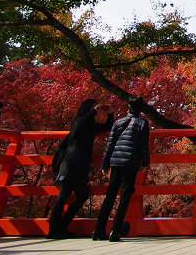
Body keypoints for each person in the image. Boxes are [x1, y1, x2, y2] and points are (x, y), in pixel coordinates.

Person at [47, 99, 114, 239]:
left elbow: (108, 126)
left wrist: (110, 113)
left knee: (82, 196)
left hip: (80, 167)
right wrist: (95, 110)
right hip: (70, 164)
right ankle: (53, 229)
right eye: (90, 109)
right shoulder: (77, 122)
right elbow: (80, 124)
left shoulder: (90, 126)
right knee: (62, 197)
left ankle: (61, 226)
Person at [93, 95, 151, 242]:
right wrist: (145, 163)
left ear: (128, 107)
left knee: (110, 195)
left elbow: (110, 144)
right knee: (125, 196)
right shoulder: (142, 124)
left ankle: (98, 230)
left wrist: (105, 163)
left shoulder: (118, 122)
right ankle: (114, 231)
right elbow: (143, 146)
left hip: (116, 160)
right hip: (131, 162)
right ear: (140, 109)